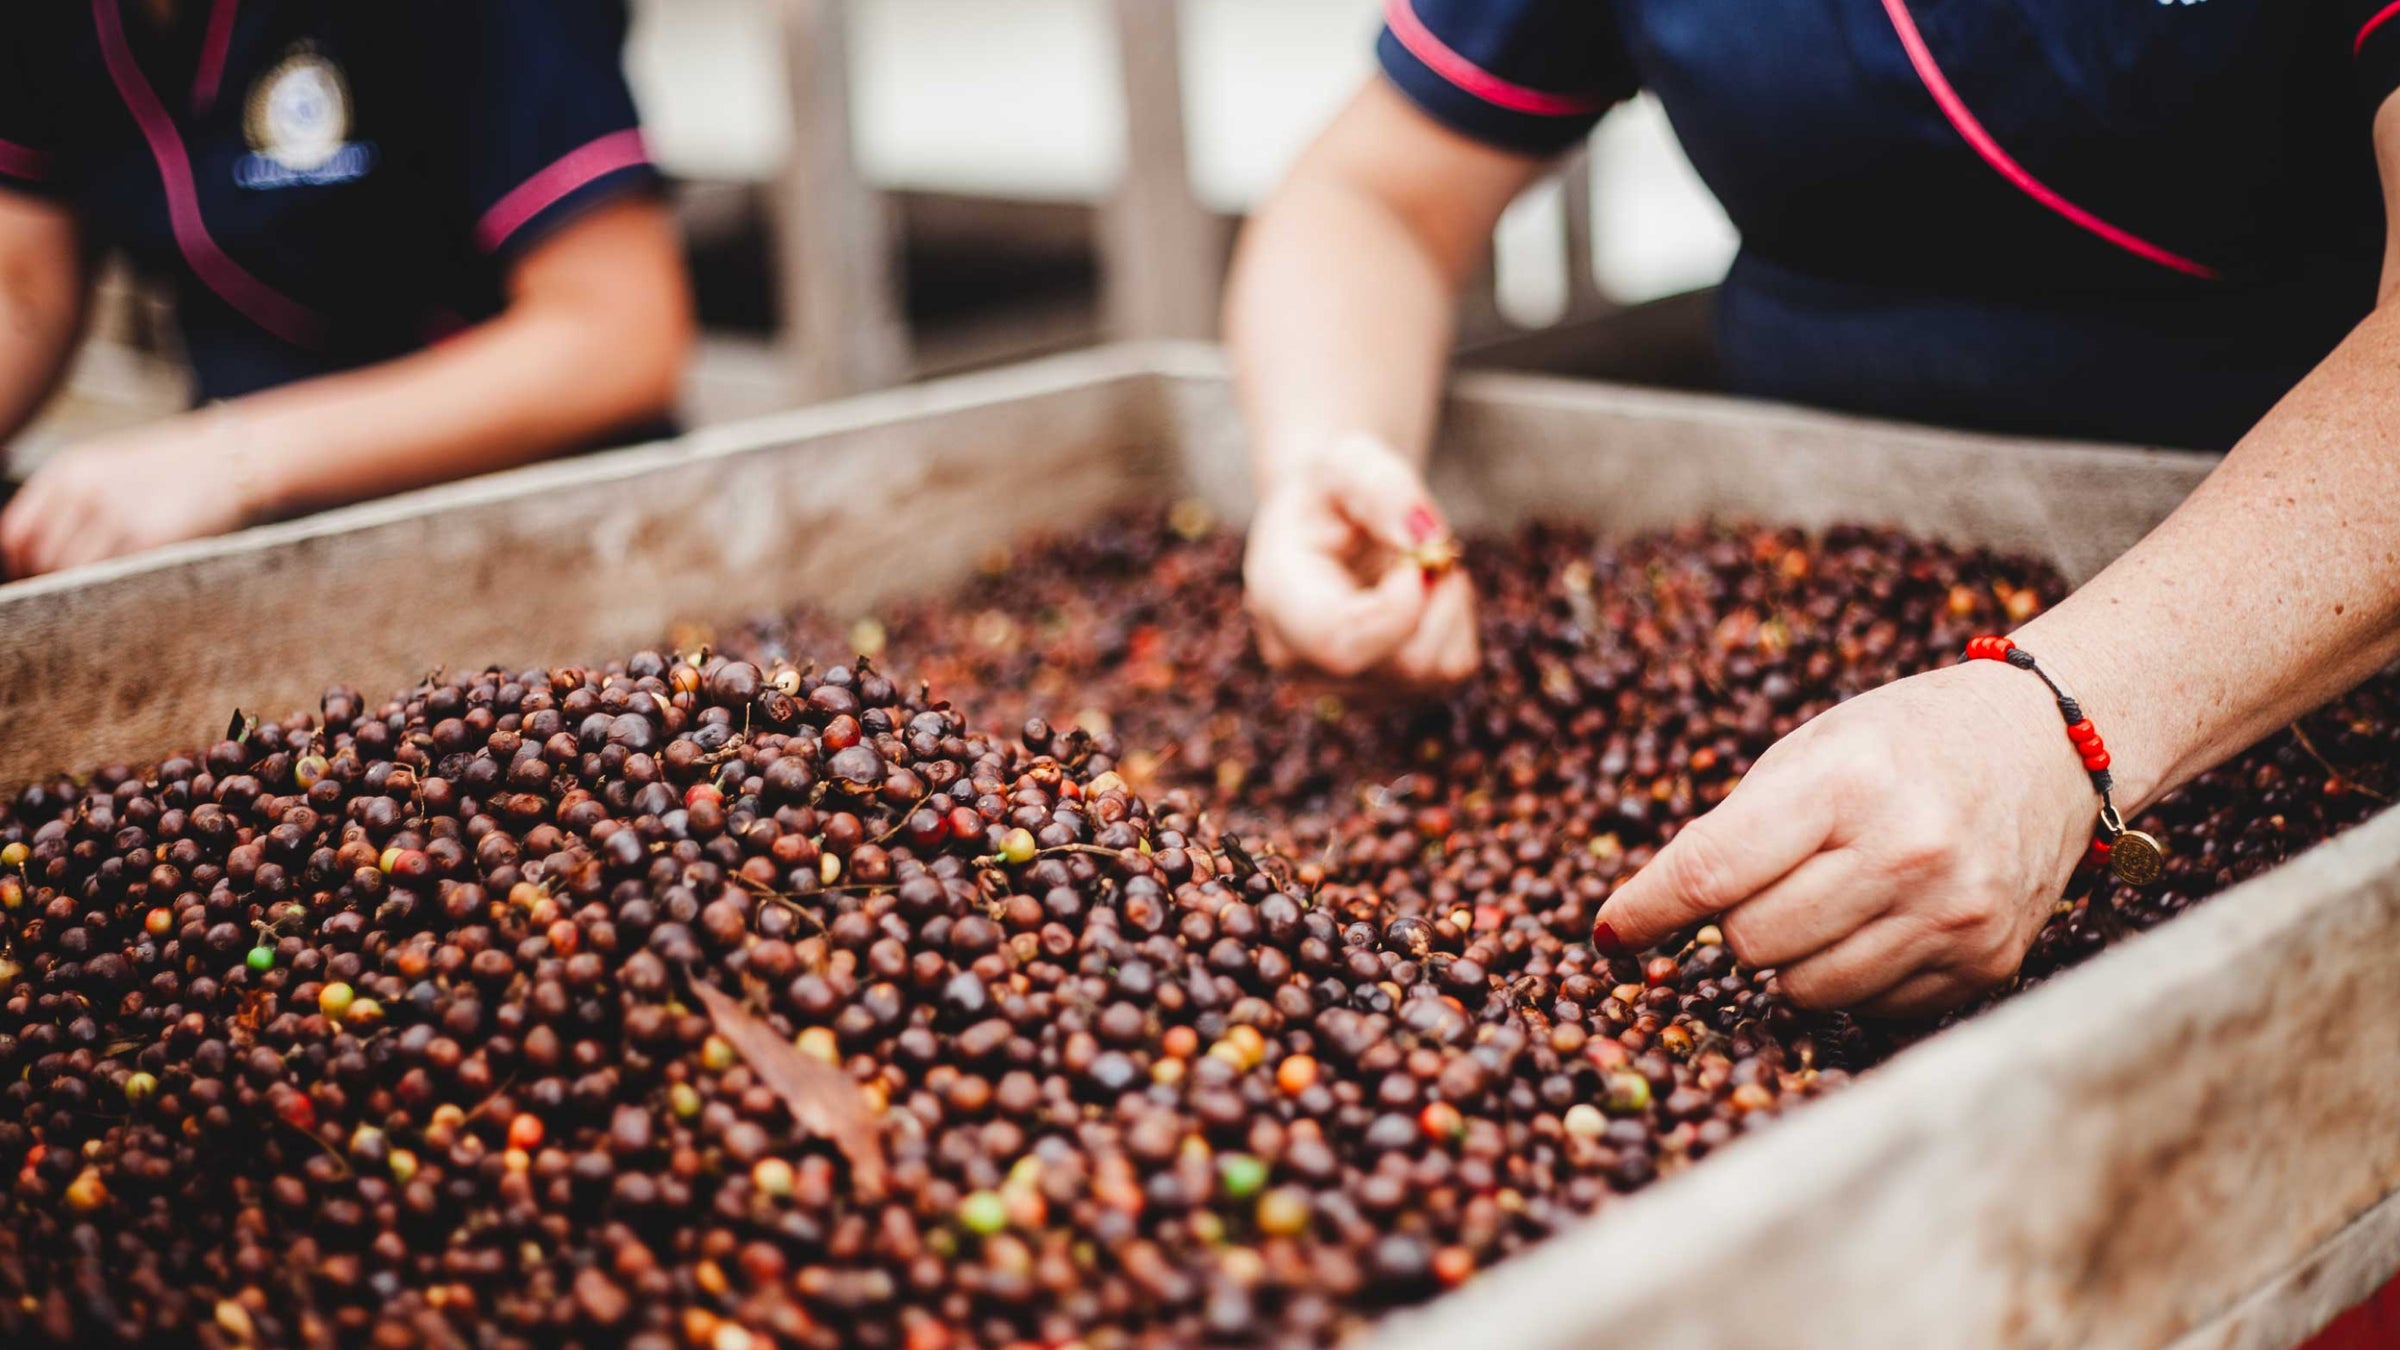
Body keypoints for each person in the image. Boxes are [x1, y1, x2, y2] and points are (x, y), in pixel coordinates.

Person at [1228, 0, 2400, 1019]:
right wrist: (1328, 453)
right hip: (1807, 556)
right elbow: (1372, 192)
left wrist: (2067, 719)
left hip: (2287, 631)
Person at [0, 0, 694, 577]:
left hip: (542, 528)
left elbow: (618, 333)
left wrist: (233, 456)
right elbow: (23, 287)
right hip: (253, 545)